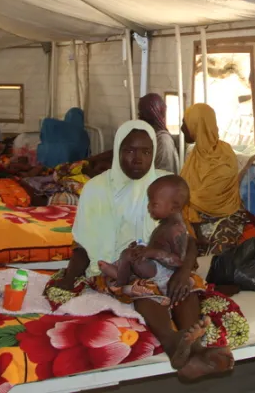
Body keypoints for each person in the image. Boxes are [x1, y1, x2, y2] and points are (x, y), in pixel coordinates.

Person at [48, 120, 234, 380]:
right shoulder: (97, 189)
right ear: (118, 150)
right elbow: (83, 244)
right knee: (143, 288)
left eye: (146, 151)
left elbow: (187, 238)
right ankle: (173, 343)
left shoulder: (163, 184)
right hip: (117, 266)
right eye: (130, 150)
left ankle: (195, 349)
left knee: (185, 287)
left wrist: (183, 271)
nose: (138, 159)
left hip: (163, 262)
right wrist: (69, 280)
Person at [99, 175, 190, 293]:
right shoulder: (165, 223)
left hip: (164, 273)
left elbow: (178, 261)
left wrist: (152, 253)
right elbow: (158, 246)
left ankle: (120, 283)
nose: (148, 207)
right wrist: (142, 248)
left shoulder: (175, 230)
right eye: (149, 202)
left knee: (130, 256)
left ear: (174, 208)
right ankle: (122, 275)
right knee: (131, 253)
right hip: (155, 263)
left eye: (154, 204)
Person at [180, 103, 245, 255]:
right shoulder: (194, 155)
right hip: (194, 216)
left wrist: (180, 198)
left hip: (224, 215)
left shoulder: (225, 156)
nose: (182, 128)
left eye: (185, 123)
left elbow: (211, 197)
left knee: (215, 255)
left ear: (197, 126)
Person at [139, 93, 180, 173]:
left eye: (142, 113)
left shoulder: (163, 140)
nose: (139, 116)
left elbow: (164, 175)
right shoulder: (150, 137)